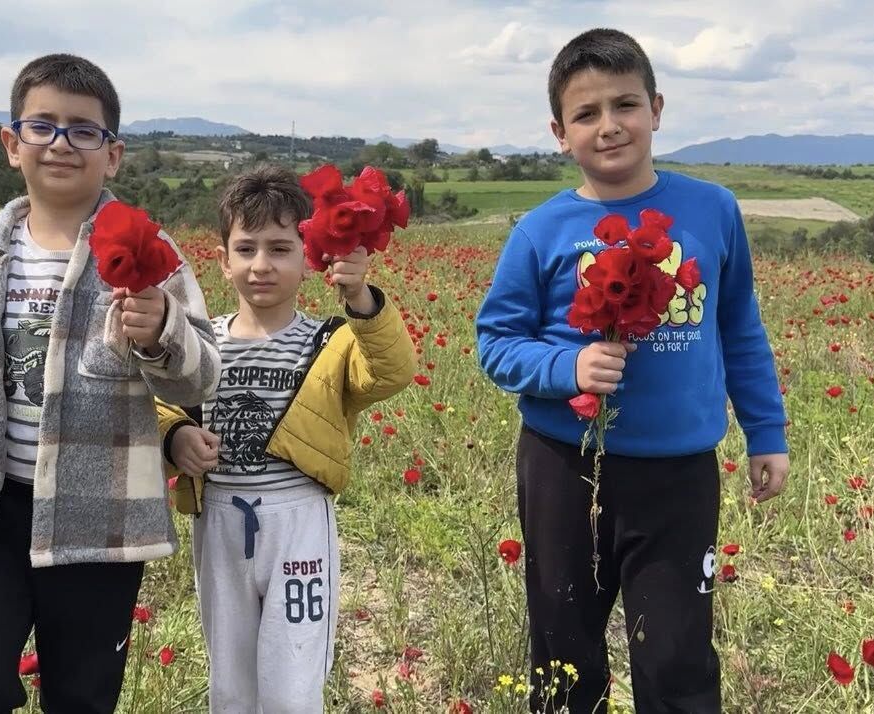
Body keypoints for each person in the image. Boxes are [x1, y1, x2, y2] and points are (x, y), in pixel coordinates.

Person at [475, 28, 790, 713]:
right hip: (565, 468)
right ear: (560, 133)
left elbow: (739, 326)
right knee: (564, 651)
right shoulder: (541, 231)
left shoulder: (712, 210)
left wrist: (767, 432)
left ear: (657, 108)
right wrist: (569, 366)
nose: (609, 126)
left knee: (677, 655)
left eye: (625, 105)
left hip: (678, 473)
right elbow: (495, 342)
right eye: (586, 114)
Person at [0, 53, 219, 713]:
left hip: (98, 518)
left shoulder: (151, 256)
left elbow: (201, 376)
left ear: (113, 155)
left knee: (81, 696)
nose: (61, 142)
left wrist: (163, 325)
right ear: (11, 143)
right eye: (42, 125)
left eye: (83, 129)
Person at [157, 166, 415, 712]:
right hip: (219, 518)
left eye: (280, 248)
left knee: (293, 676)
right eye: (245, 249)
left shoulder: (332, 340)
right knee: (229, 676)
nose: (261, 265)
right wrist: (176, 436)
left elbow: (390, 372)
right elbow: (160, 404)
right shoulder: (202, 343)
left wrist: (363, 299)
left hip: (297, 520)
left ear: (308, 257)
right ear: (222, 260)